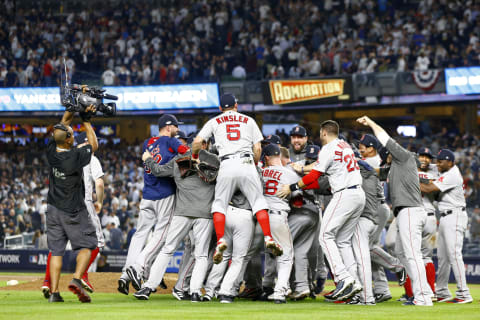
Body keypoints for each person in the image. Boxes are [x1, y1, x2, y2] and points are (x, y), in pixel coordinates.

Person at [278, 120, 365, 302]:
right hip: (358, 194)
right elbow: (319, 166)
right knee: (342, 241)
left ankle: (343, 278)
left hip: (344, 193)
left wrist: (293, 186)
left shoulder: (328, 148)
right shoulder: (344, 145)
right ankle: (354, 282)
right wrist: (302, 168)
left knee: (325, 236)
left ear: (324, 133)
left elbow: (315, 175)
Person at [192, 93, 282, 265]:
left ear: (220, 108)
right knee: (258, 203)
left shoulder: (214, 121)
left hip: (226, 163)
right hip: (246, 161)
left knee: (219, 204)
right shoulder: (248, 120)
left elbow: (197, 141)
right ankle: (269, 237)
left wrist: (196, 155)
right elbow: (257, 148)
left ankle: (220, 241)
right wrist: (253, 164)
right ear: (236, 105)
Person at [356, 115, 433, 306]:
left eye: (388, 152)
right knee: (401, 251)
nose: (386, 155)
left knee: (413, 255)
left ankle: (423, 296)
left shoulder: (405, 157)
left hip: (410, 211)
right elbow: (374, 172)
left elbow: (384, 138)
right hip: (408, 212)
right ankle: (423, 293)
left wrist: (371, 123)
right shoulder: (396, 168)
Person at [132, 144, 216, 302]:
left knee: (167, 249)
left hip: (182, 212)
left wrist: (148, 159)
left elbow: (158, 171)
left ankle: (148, 287)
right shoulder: (213, 159)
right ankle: (196, 292)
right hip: (204, 214)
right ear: (205, 144)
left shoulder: (179, 159)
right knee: (201, 254)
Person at [118, 114, 189, 294]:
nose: (177, 130)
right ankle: (138, 267)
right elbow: (186, 151)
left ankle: (125, 274)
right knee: (161, 236)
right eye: (175, 126)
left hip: (147, 195)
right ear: (168, 127)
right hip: (165, 194)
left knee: (140, 234)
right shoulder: (171, 141)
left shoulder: (147, 143)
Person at [44, 105, 98, 303]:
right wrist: (86, 120)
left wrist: (72, 106)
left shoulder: (51, 150)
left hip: (52, 209)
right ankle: (76, 278)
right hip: (73, 210)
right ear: (67, 140)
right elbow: (94, 145)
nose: (74, 135)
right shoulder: (74, 156)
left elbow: (63, 123)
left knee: (56, 251)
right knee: (88, 244)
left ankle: (54, 293)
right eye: (72, 135)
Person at [420, 149, 473, 304]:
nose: (438, 164)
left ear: (450, 162)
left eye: (441, 161)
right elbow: (431, 167)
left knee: (454, 255)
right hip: (444, 217)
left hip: (455, 216)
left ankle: (464, 293)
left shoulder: (452, 175)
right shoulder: (446, 170)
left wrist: (410, 180)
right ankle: (442, 291)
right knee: (443, 257)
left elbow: (429, 189)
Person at [401, 147, 438, 301]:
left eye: (428, 157)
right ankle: (429, 292)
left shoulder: (409, 172)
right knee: (424, 257)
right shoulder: (434, 175)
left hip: (417, 215)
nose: (425, 159)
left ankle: (415, 292)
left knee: (413, 255)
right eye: (422, 156)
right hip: (429, 217)